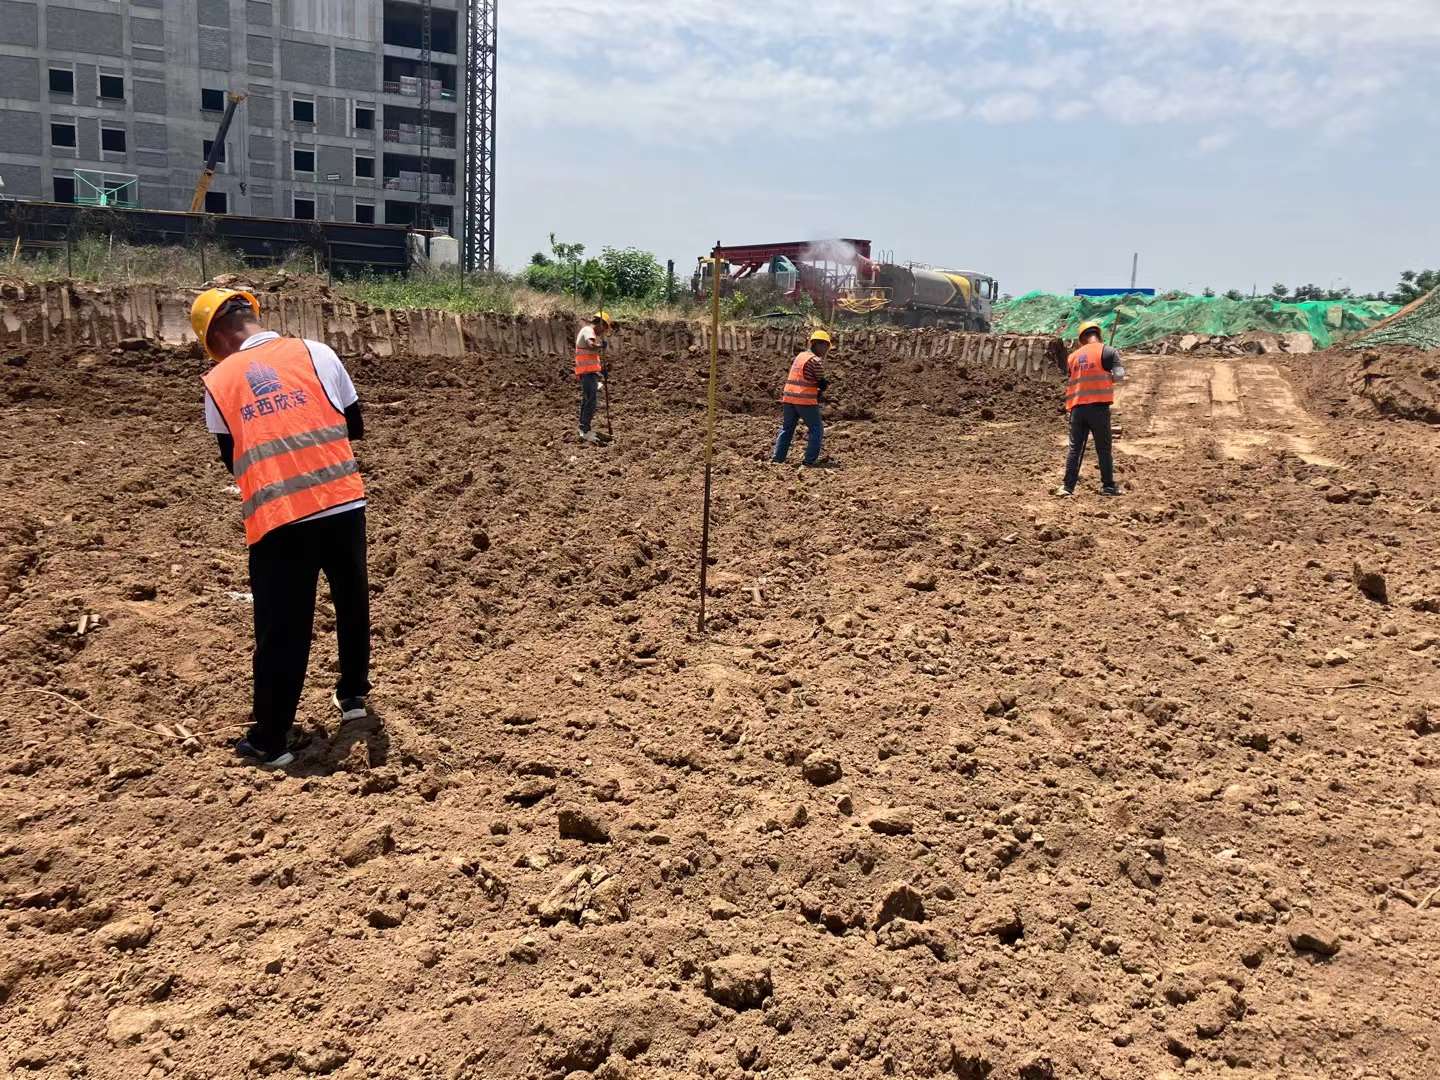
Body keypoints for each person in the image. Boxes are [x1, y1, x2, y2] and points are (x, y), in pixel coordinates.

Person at [193, 287, 372, 767]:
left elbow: (233, 460)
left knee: (283, 627)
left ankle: (271, 740)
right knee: (351, 601)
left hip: (281, 516)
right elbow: (353, 424)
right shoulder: (317, 352)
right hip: (341, 499)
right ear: (252, 315)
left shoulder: (219, 381)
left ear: (216, 339)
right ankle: (354, 698)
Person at [1056, 320, 1121, 497]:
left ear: (1082, 339)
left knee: (1075, 448)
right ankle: (1108, 486)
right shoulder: (1108, 351)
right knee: (1103, 449)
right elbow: (1120, 376)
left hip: (1077, 408)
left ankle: (1067, 487)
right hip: (1099, 408)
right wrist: (1108, 377)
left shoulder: (1073, 357)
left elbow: (1074, 376)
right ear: (1098, 335)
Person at [771, 328, 832, 466]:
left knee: (787, 428)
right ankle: (809, 461)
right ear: (818, 344)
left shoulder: (801, 356)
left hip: (789, 398)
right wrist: (823, 384)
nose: (826, 350)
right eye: (826, 346)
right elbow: (820, 380)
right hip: (804, 400)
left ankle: (778, 458)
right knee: (816, 428)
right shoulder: (815, 360)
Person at [575, 311, 614, 444]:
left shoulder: (590, 333)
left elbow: (591, 355)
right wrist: (600, 346)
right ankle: (584, 430)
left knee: (588, 400)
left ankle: (584, 428)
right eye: (604, 328)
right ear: (601, 324)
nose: (602, 333)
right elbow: (591, 345)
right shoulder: (588, 331)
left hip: (589, 372)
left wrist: (602, 370)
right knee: (590, 401)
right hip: (586, 373)